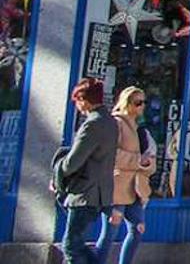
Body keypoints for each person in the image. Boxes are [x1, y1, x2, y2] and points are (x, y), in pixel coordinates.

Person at [56, 79, 119, 264]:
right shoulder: (110, 121)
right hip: (100, 194)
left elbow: (73, 162)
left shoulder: (93, 124)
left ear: (84, 100)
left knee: (70, 245)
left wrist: (58, 171)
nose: (77, 106)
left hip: (85, 193)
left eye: (77, 101)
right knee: (77, 244)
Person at [94, 87, 155, 264]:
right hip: (118, 186)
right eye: (137, 102)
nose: (142, 106)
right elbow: (111, 154)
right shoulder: (116, 123)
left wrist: (147, 163)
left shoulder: (141, 129)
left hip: (137, 188)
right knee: (110, 233)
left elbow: (150, 158)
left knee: (138, 229)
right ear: (126, 103)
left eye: (144, 102)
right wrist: (137, 160)